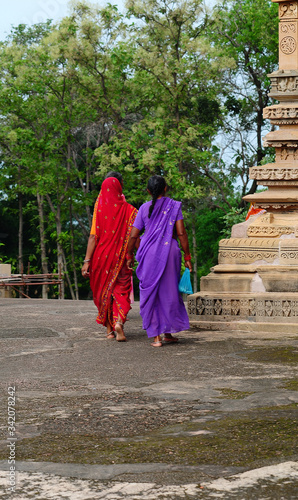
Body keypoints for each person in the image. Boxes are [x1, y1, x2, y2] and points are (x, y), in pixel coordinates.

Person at [126, 175, 192, 347]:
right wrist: (187, 256)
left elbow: (134, 235)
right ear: (165, 188)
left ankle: (157, 337)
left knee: (152, 292)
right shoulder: (174, 206)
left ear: (148, 191)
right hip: (170, 251)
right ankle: (168, 332)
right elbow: (181, 233)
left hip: (148, 253)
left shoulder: (143, 208)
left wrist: (128, 255)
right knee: (169, 291)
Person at [81, 172, 137, 342]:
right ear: (119, 187)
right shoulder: (130, 210)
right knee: (121, 289)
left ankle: (109, 330)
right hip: (120, 257)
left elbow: (93, 237)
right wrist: (130, 255)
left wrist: (86, 261)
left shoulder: (99, 209)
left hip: (101, 257)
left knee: (104, 290)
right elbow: (134, 237)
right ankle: (119, 321)